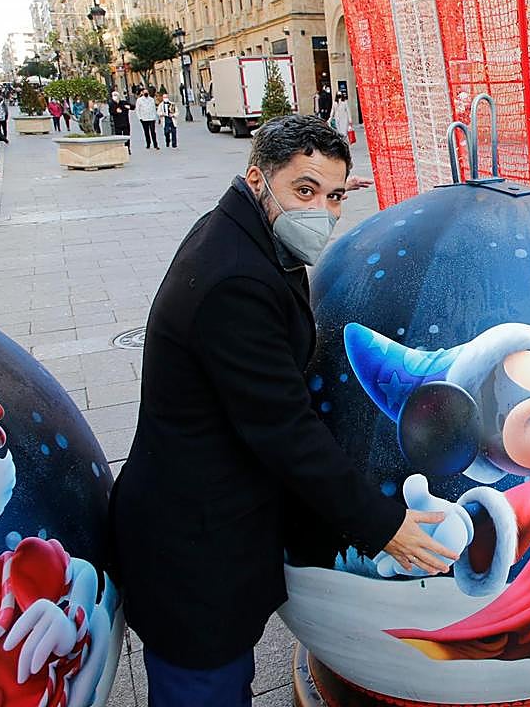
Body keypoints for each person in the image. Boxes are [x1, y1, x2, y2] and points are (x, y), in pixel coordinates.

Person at [110, 115, 454, 707]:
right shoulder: (233, 282)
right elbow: (285, 431)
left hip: (208, 523)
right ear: (257, 180)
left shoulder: (241, 235)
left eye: (335, 195)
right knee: (205, 688)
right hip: (193, 548)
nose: (322, 209)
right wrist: (383, 526)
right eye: (304, 190)